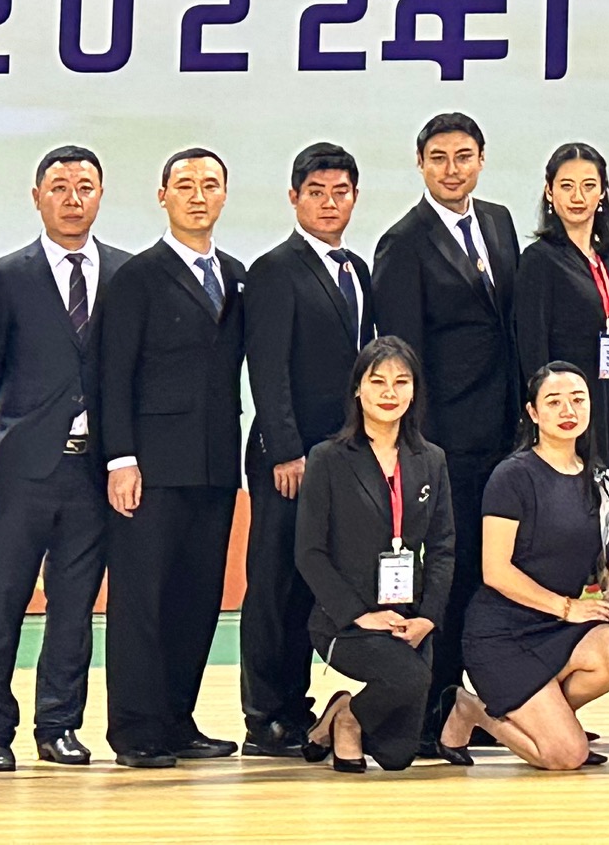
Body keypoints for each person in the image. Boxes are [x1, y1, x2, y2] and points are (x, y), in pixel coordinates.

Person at [0, 146, 125, 771]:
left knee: (74, 606)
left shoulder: (126, 273)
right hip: (22, 469)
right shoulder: (4, 276)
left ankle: (58, 725)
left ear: (101, 195)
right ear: (37, 197)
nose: (72, 198)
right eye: (59, 187)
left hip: (94, 470)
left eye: (85, 186)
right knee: (1, 602)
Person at [91, 149, 246, 769]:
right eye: (185, 185)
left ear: (225, 195)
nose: (198, 195)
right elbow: (112, 374)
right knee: (142, 603)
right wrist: (120, 459)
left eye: (210, 184)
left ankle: (178, 720)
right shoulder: (137, 277)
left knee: (197, 600)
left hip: (215, 468)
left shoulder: (235, 275)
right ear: (163, 196)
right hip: (150, 469)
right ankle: (136, 731)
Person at [370, 112, 520, 751]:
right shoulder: (402, 242)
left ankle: (482, 706)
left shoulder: (500, 222)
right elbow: (403, 356)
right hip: (445, 439)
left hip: (507, 434)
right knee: (446, 575)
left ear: (481, 159)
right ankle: (430, 709)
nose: (452, 169)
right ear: (420, 163)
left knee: (496, 573)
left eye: (463, 156)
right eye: (438, 158)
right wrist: (417, 446)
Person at [238, 141, 374, 758]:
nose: (328, 203)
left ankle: (296, 706)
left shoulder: (358, 270)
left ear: (354, 197)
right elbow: (266, 370)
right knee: (276, 584)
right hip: (289, 459)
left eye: (340, 192)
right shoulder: (274, 269)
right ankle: (266, 715)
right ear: (294, 199)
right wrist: (285, 452)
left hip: (341, 455)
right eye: (315, 193)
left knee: (315, 578)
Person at [442, 364, 609, 771]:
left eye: (578, 400)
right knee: (566, 756)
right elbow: (495, 571)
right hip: (504, 633)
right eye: (554, 401)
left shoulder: (602, 479)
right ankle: (475, 711)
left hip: (559, 629)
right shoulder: (512, 476)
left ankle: (553, 720)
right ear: (533, 412)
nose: (568, 410)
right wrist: (568, 608)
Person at [292, 337, 455, 773]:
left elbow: (443, 547)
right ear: (357, 389)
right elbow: (309, 552)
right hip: (345, 621)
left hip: (408, 618)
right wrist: (360, 615)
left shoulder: (431, 459)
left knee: (395, 756)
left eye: (401, 382)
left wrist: (428, 617)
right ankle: (348, 717)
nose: (389, 392)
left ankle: (344, 713)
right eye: (377, 381)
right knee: (412, 677)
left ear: (414, 391)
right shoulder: (328, 458)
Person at [513, 142, 609, 473]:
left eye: (588, 186)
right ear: (549, 192)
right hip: (564, 406)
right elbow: (532, 347)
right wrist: (546, 409)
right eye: (566, 186)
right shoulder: (539, 260)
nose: (577, 197)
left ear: (602, 193)